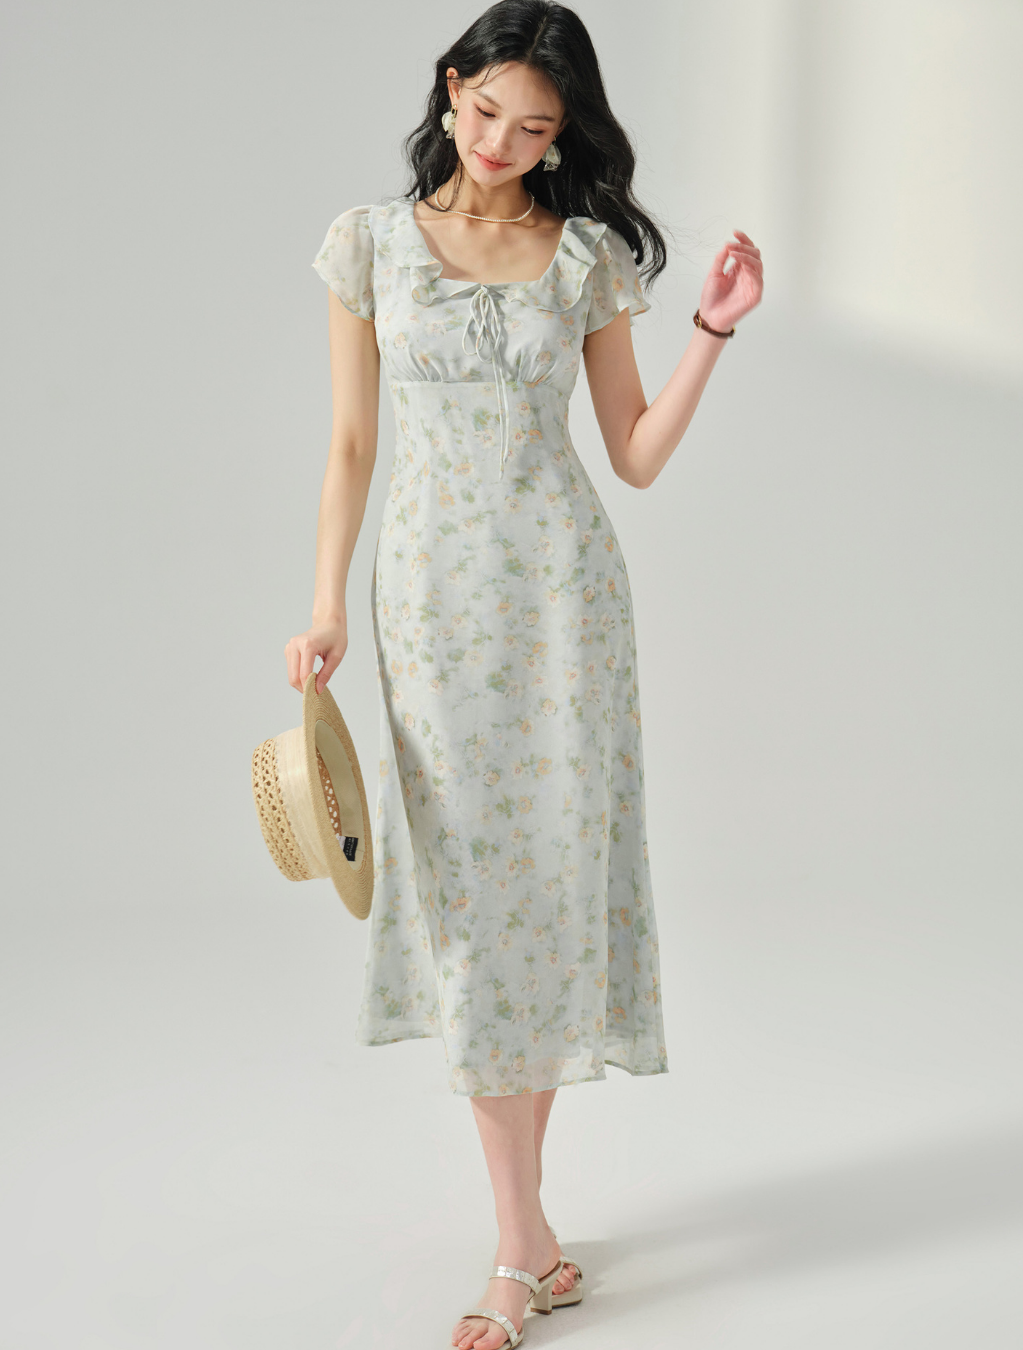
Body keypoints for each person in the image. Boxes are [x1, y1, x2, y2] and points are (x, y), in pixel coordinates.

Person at [288, 3, 762, 1346]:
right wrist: (324, 603)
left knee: (546, 900)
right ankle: (528, 1239)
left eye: (536, 128)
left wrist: (711, 330)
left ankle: (519, 1247)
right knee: (473, 906)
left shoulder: (587, 256)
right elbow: (350, 446)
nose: (502, 143)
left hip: (565, 604)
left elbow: (635, 454)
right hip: (429, 605)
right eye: (487, 110)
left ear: (565, 137)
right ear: (451, 89)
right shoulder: (369, 244)